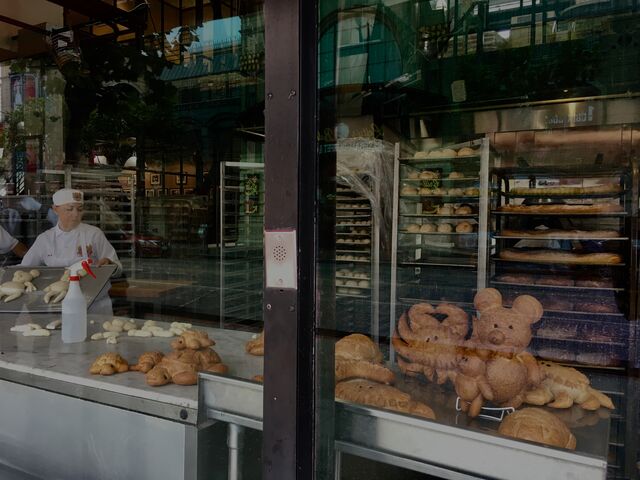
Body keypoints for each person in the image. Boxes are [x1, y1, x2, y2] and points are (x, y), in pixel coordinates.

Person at [21, 188, 122, 316]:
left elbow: (117, 268)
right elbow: (24, 270)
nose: (75, 214)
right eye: (69, 209)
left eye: (80, 209)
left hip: (94, 306)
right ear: (55, 209)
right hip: (57, 305)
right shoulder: (45, 239)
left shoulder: (94, 234)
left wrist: (109, 264)